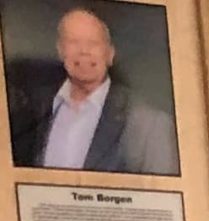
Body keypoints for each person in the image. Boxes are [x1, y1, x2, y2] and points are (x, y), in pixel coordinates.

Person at [8, 6, 180, 174]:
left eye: (93, 43)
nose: (84, 51)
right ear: (60, 51)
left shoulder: (149, 125)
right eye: (73, 42)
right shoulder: (30, 113)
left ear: (110, 54)